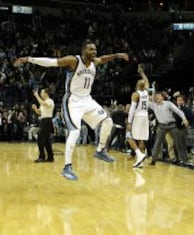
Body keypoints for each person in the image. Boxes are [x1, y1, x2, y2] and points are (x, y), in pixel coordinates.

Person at [14, 39, 129, 180]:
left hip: (87, 100)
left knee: (107, 121)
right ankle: (67, 167)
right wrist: (28, 59)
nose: (94, 51)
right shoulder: (74, 61)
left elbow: (104, 59)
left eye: (95, 49)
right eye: (91, 49)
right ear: (83, 51)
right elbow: (51, 62)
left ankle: (100, 150)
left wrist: (117, 55)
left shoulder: (95, 62)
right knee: (75, 131)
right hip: (72, 101)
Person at [148, 91, 189, 165]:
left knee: (178, 142)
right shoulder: (153, 105)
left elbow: (178, 111)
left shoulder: (168, 103)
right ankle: (153, 159)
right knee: (157, 143)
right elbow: (144, 101)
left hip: (171, 125)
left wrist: (184, 118)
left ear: (162, 97)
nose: (157, 97)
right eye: (156, 96)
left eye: (159, 96)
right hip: (161, 126)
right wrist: (145, 94)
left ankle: (183, 159)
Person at [127, 65, 150, 168]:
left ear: (136, 86)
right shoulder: (146, 92)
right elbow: (147, 81)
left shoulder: (135, 94)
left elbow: (132, 110)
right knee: (141, 139)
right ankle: (140, 161)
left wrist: (129, 122)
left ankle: (139, 154)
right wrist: (142, 73)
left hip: (138, 116)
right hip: (145, 117)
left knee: (129, 136)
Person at [31, 88, 55, 163]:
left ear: (46, 93)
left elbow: (44, 104)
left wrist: (36, 96)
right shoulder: (43, 102)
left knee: (40, 139)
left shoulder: (50, 101)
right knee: (47, 140)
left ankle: (42, 157)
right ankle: (50, 157)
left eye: (42, 93)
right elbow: (40, 113)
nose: (41, 94)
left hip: (47, 121)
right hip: (43, 121)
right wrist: (35, 109)